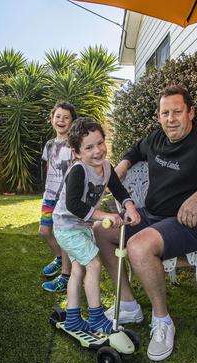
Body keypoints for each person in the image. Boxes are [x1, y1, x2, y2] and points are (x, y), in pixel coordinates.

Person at [94, 85, 197, 361]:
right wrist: (123, 164)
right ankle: (128, 304)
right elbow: (137, 149)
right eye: (165, 113)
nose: (170, 119)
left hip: (190, 225)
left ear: (191, 113)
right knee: (102, 231)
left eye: (177, 112)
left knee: (138, 247)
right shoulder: (157, 138)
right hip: (152, 215)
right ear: (159, 116)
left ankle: (163, 321)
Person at [52, 117, 140, 333]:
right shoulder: (79, 171)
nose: (98, 151)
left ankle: (72, 318)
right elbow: (73, 205)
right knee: (93, 264)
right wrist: (102, 216)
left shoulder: (107, 168)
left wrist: (130, 207)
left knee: (79, 269)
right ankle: (97, 316)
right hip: (66, 226)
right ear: (77, 152)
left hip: (81, 226)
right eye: (89, 147)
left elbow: (119, 190)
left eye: (100, 143)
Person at [39, 102, 76, 293]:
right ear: (52, 119)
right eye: (58, 116)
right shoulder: (49, 145)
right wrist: (47, 190)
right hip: (50, 196)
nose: (61, 120)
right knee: (44, 231)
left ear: (72, 122)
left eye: (66, 117)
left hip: (65, 198)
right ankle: (60, 258)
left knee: (63, 235)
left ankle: (65, 276)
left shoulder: (73, 146)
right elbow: (49, 169)